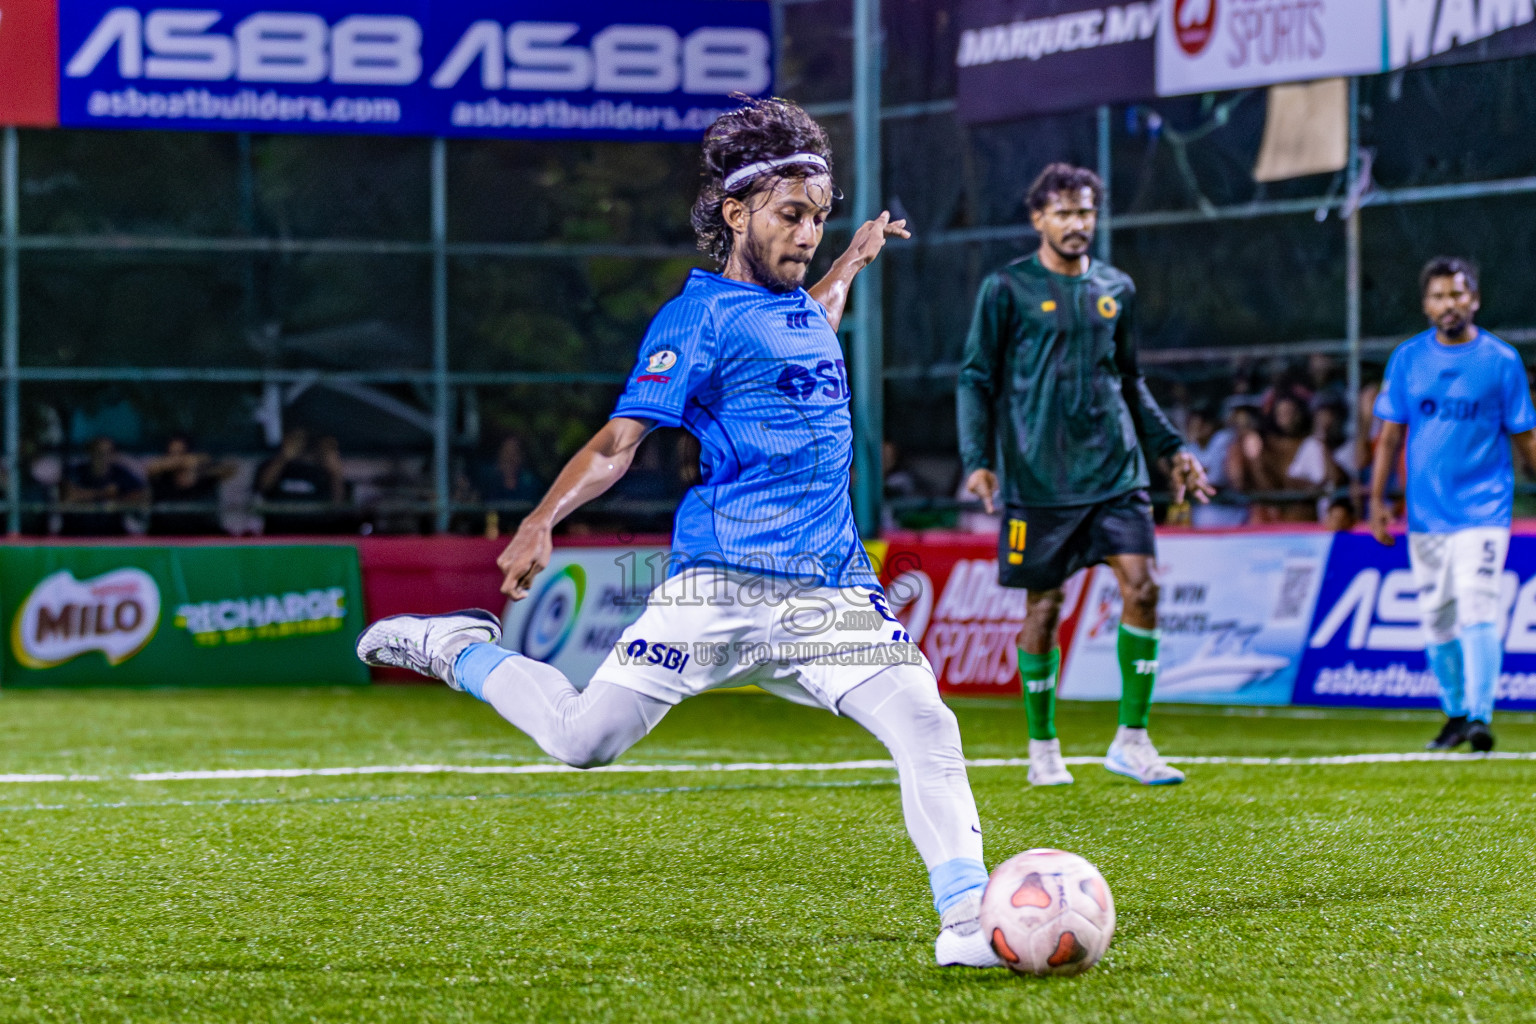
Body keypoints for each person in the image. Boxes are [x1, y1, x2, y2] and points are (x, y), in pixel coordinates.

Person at [356, 97, 1001, 969]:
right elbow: (620, 442)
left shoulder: (801, 306)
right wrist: (540, 521)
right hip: (719, 588)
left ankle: (968, 924)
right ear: (736, 215)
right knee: (584, 742)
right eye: (791, 216)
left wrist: (854, 257)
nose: (809, 232)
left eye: (819, 217)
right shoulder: (695, 320)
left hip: (831, 591)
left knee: (926, 722)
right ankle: (456, 648)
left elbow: (817, 312)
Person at [956, 163, 1213, 790]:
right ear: (1038, 218)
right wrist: (978, 460)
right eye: (1065, 213)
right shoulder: (1006, 289)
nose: (1078, 224)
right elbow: (975, 378)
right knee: (1044, 607)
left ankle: (1133, 739)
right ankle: (1043, 747)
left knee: (1143, 587)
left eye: (1087, 212)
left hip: (1116, 470)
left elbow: (1130, 381)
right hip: (1039, 480)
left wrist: (1172, 447)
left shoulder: (1115, 288)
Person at [1370, 257, 1536, 754]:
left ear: (1475, 299)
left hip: (1483, 509)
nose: (1450, 304)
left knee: (1477, 602)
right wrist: (1377, 500)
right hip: (1425, 515)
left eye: (1458, 294)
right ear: (1426, 305)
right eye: (1440, 296)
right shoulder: (1406, 359)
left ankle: (1481, 717)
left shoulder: (1501, 361)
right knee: (1438, 618)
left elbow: (1526, 437)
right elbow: (1389, 436)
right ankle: (1456, 713)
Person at [256, 426, 346, 535]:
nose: (299, 444)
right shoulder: (271, 465)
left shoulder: (321, 472)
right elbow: (263, 487)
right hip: (278, 536)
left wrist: (335, 473)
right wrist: (284, 457)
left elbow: (338, 506)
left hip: (315, 536)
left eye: (303, 440)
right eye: (295, 439)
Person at [145, 434, 235, 535]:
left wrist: (198, 462)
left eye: (181, 453)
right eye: (172, 454)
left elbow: (230, 469)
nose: (176, 458)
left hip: (204, 535)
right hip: (165, 536)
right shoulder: (161, 478)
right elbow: (151, 469)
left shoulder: (205, 476)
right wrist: (180, 462)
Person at [60, 436, 148, 536]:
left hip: (112, 532)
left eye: (108, 452)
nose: (104, 457)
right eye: (99, 452)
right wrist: (104, 493)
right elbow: (68, 496)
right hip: (78, 532)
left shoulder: (120, 473)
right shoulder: (76, 471)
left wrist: (118, 501)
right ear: (90, 453)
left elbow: (141, 495)